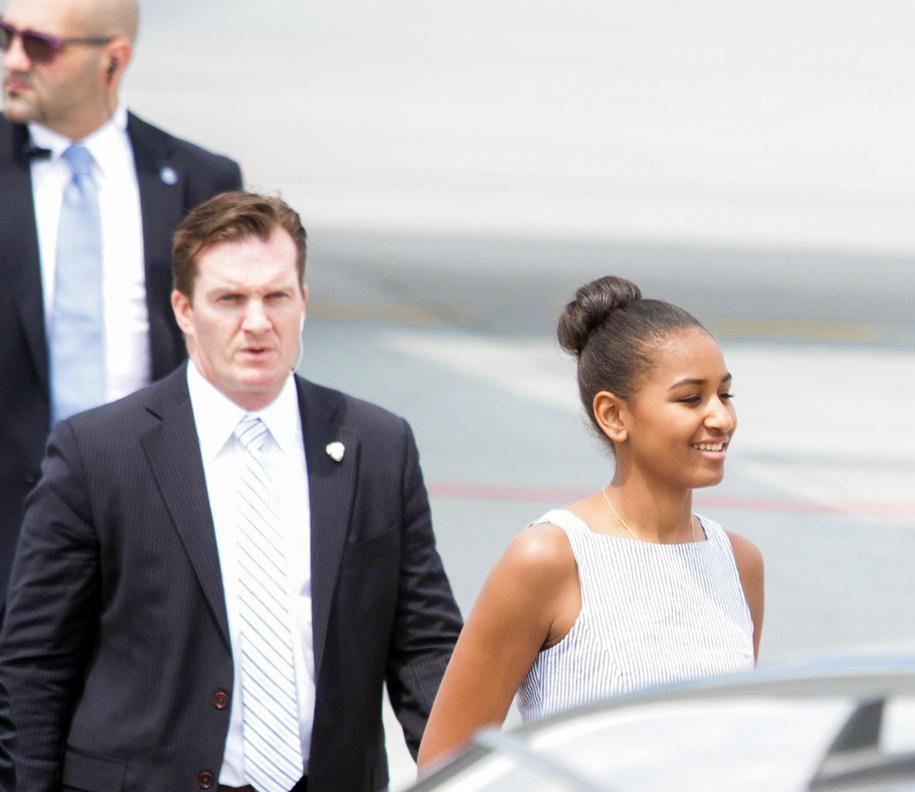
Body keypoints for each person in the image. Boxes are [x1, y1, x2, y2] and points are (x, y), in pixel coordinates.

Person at [0, 192, 463, 791]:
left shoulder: (376, 446)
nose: (257, 323)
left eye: (276, 296)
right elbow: (33, 667)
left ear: (303, 302)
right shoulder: (97, 453)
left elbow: (425, 646)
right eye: (229, 299)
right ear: (184, 310)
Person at [417, 276, 764, 771]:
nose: (721, 418)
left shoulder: (739, 564)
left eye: (725, 395)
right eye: (691, 399)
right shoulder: (549, 559)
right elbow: (445, 766)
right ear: (613, 415)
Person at [0, 0, 241, 602]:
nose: (12, 59)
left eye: (40, 45)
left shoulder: (198, 181)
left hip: (151, 535)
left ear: (113, 60)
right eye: (5, 36)